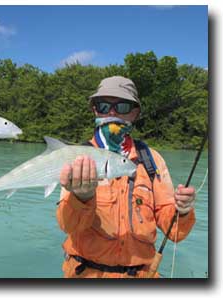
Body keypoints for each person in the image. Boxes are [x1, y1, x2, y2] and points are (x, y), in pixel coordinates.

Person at [57, 76, 196, 278]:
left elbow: (174, 232)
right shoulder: (77, 158)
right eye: (103, 106)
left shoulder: (152, 160)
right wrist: (82, 197)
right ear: (95, 110)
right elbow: (67, 226)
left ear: (135, 113)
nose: (112, 113)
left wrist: (182, 211)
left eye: (121, 107)